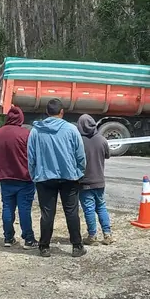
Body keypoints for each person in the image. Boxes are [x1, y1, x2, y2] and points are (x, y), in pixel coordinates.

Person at [27, 98, 87, 258]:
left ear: (47, 112)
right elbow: (80, 155)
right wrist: (80, 172)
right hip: (69, 177)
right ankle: (76, 246)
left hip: (44, 177)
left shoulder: (36, 131)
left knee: (47, 213)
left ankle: (44, 247)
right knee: (71, 212)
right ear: (62, 112)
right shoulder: (71, 130)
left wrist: (34, 175)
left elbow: (30, 157)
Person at [0, 106, 36, 248]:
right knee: (24, 209)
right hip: (24, 178)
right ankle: (29, 239)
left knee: (7, 208)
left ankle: (8, 238)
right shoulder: (26, 134)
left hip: (5, 178)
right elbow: (33, 156)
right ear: (21, 118)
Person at [76, 114, 113, 245]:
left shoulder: (78, 141)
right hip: (100, 180)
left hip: (84, 181)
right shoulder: (102, 140)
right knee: (101, 206)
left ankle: (92, 235)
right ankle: (107, 234)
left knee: (89, 208)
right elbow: (107, 155)